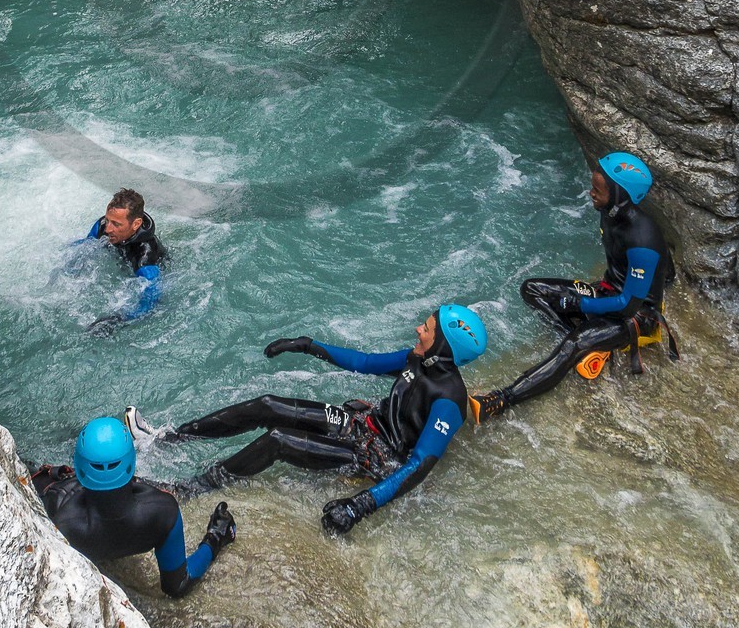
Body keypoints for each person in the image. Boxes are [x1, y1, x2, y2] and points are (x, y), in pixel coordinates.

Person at [125, 303, 487, 535]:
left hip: (377, 458)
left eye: (426, 329)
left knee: (279, 439)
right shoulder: (417, 359)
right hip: (362, 426)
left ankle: (189, 489)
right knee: (268, 404)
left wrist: (359, 505)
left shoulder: (449, 401)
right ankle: (168, 438)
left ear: (443, 347)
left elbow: (420, 465)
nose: (418, 330)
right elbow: (365, 362)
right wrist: (310, 346)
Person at [469, 151, 678, 424]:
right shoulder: (609, 211)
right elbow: (669, 270)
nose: (590, 193)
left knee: (572, 346)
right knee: (532, 289)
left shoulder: (643, 238)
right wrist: (587, 303)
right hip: (607, 292)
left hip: (636, 316)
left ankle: (499, 401)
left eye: (598, 190)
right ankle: (587, 340)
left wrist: (581, 304)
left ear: (619, 194)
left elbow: (629, 304)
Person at [31, 416, 235, 598]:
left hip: (57, 494)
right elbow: (177, 585)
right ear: (132, 463)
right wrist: (215, 537)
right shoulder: (162, 510)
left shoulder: (62, 521)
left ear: (80, 470)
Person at [49, 187, 166, 332]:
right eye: (108, 220)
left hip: (145, 271)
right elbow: (86, 247)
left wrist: (117, 320)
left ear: (136, 224)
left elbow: (149, 304)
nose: (108, 229)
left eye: (116, 224)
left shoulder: (145, 257)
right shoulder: (102, 226)